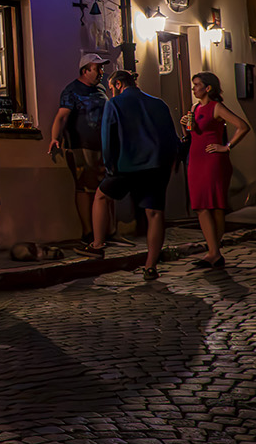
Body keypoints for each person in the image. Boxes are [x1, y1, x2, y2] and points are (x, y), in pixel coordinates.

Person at [75, 71, 180, 280]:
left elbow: (108, 138)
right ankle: (151, 266)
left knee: (101, 196)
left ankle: (97, 244)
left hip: (127, 164)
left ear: (118, 84)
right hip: (157, 166)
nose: (111, 90)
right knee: (155, 214)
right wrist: (171, 162)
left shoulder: (115, 104)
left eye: (112, 86)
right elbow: (171, 136)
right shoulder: (159, 104)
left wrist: (109, 166)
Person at [48, 52, 120, 244]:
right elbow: (62, 116)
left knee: (104, 187)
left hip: (103, 146)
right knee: (85, 188)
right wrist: (55, 137)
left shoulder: (101, 89)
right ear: (85, 70)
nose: (101, 72)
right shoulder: (72, 91)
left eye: (102, 68)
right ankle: (88, 231)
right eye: (97, 69)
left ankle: (107, 229)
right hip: (81, 146)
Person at [182, 72, 251, 268]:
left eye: (197, 85)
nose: (194, 88)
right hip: (195, 160)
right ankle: (213, 250)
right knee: (201, 205)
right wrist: (188, 126)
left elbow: (242, 126)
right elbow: (194, 134)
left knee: (213, 205)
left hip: (212, 161)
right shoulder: (195, 108)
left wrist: (226, 146)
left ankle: (214, 252)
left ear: (208, 88)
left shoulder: (217, 107)